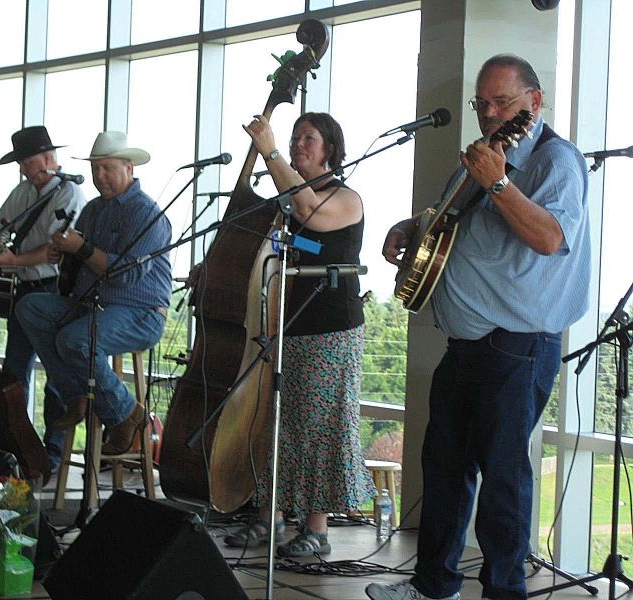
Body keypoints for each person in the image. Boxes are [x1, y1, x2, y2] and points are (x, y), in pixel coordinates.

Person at [366, 54, 591, 600]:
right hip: (465, 345)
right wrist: (411, 228)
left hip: (516, 347)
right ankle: (432, 586)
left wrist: (498, 183)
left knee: (503, 482)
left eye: (502, 102)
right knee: (443, 469)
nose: (490, 113)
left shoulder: (556, 160)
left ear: (534, 102)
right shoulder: (484, 156)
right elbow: (449, 219)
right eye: (482, 103)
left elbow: (549, 238)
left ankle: (504, 592)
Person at [221, 111, 376, 557]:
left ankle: (317, 529)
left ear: (330, 149)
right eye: (293, 138)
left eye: (308, 138)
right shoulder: (289, 202)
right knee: (277, 423)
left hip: (331, 329)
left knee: (318, 426)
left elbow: (312, 215)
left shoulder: (345, 198)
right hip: (287, 324)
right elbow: (297, 243)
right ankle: (268, 516)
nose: (297, 145)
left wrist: (269, 150)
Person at [15, 131, 172, 455]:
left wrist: (81, 248)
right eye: (95, 169)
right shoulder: (93, 210)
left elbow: (124, 275)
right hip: (92, 306)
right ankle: (76, 393)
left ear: (129, 168)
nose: (100, 176)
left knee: (75, 340)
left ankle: (126, 416)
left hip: (140, 313)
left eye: (108, 168)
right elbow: (79, 262)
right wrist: (64, 253)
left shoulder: (147, 213)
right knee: (29, 307)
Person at [0, 125, 86, 472]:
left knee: (56, 373)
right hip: (25, 288)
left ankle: (52, 453)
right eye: (22, 163)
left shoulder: (69, 193)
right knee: (15, 371)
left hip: (55, 289)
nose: (24, 169)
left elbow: (56, 248)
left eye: (28, 162)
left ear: (49, 159)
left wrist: (13, 261)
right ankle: (17, 445)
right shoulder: (23, 192)